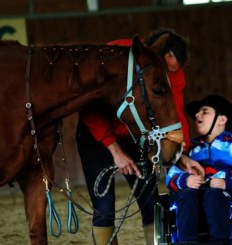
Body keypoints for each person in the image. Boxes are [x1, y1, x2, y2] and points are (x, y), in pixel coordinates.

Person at [76, 28, 200, 245]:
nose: (168, 74)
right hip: (97, 136)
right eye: (165, 69)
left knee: (150, 200)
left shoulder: (174, 73)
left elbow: (175, 112)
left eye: (172, 71)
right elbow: (90, 108)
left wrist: (182, 152)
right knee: (104, 206)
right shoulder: (114, 56)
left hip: (135, 135)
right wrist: (115, 150)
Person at [166, 95, 232, 244]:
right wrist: (185, 180)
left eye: (204, 112)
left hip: (223, 196)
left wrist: (227, 184)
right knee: (186, 195)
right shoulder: (188, 149)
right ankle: (187, 242)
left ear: (222, 120)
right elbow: (170, 176)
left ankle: (221, 241)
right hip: (191, 195)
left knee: (214, 195)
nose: (197, 115)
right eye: (198, 113)